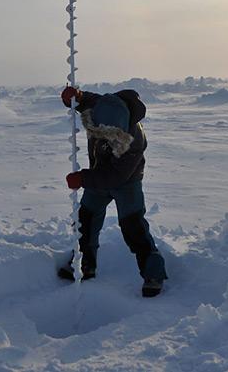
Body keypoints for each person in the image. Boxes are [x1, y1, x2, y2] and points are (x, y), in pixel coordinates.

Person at [58, 86, 168, 297]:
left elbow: (115, 176)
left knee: (133, 227)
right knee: (85, 221)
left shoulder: (134, 140)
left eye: (107, 136)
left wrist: (83, 178)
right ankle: (84, 265)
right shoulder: (106, 106)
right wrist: (77, 97)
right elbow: (89, 101)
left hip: (126, 183)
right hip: (98, 176)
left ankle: (153, 274)